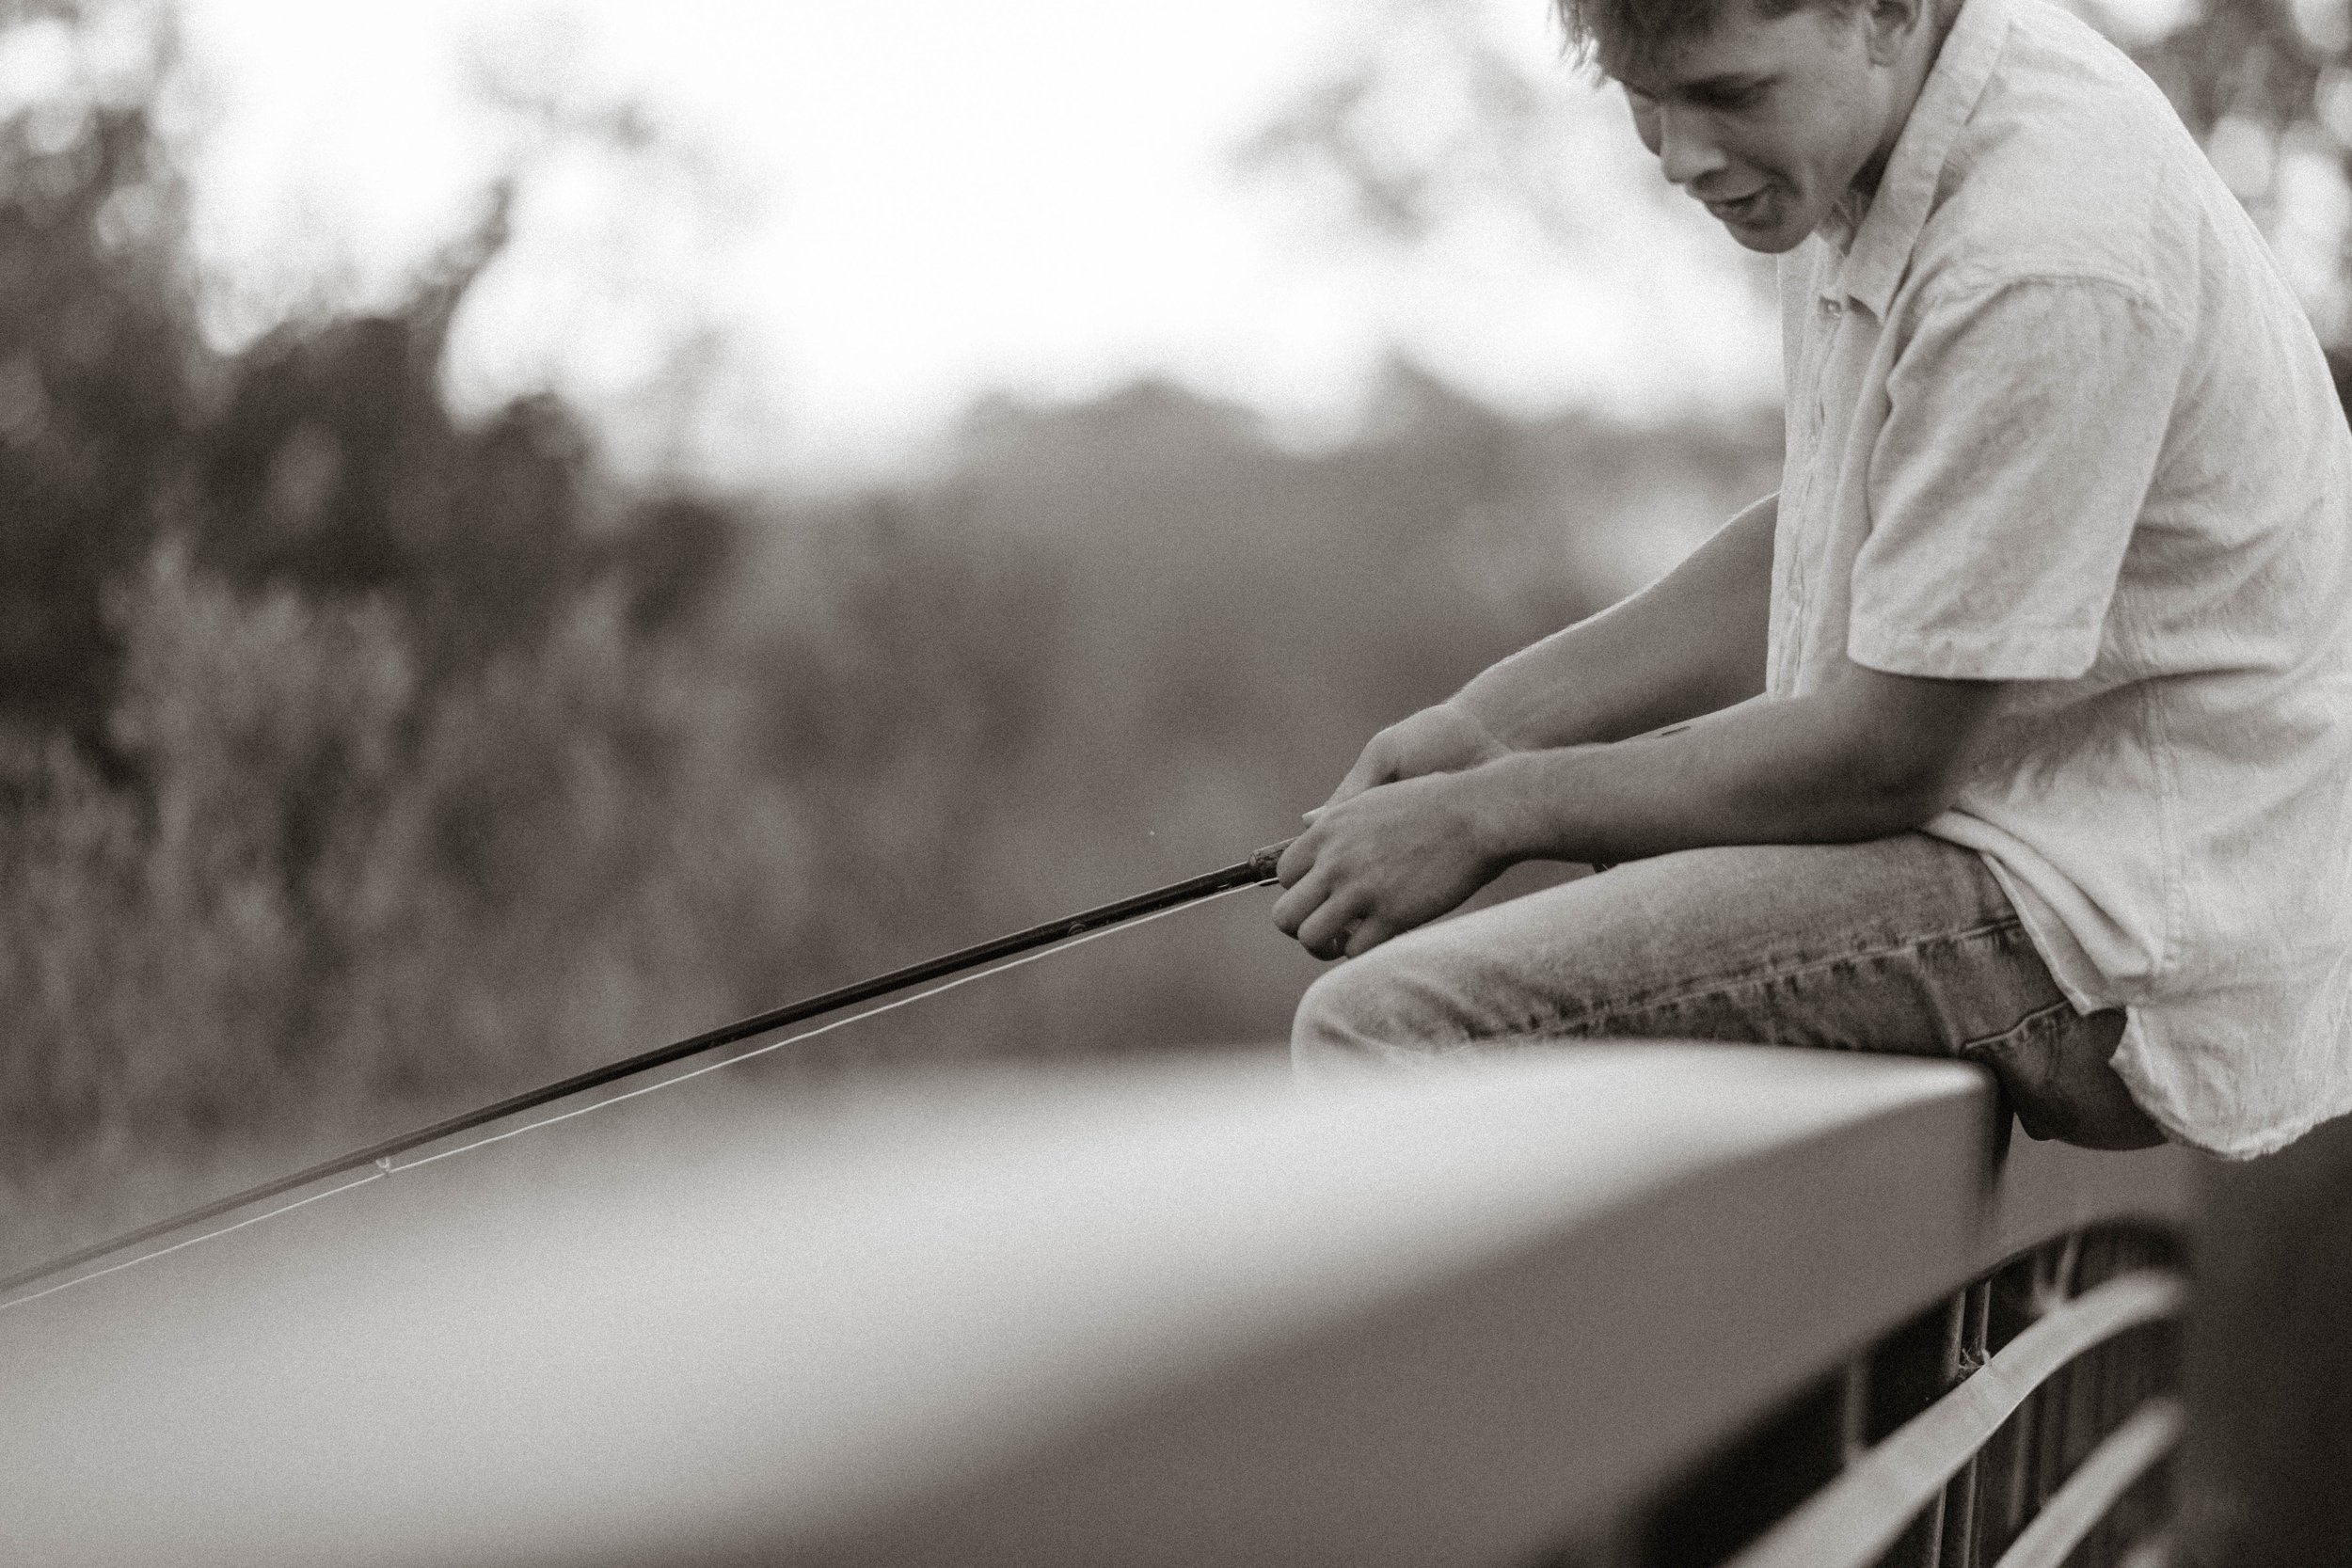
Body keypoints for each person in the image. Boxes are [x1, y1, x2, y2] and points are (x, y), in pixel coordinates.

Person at [1275, 0, 2352, 1157]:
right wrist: (1486, 724)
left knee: (1389, 1025)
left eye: (1731, 96)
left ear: (1885, 14)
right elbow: (1850, 521)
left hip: (2122, 929)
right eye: (1648, 100)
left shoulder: (2036, 248)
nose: (1685, 158)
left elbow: (1885, 756)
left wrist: (1492, 808)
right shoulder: (1867, 133)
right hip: (2013, 840)